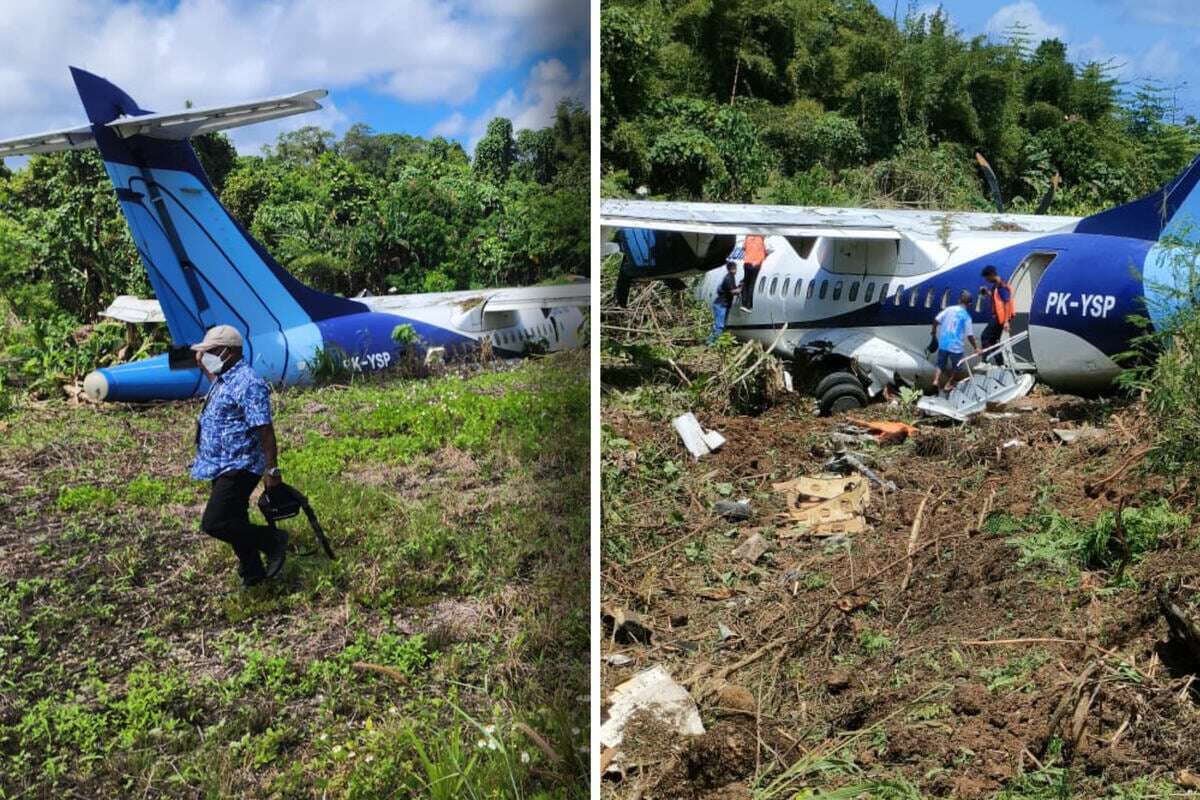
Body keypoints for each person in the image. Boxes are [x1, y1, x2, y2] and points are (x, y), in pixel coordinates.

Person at [191, 325, 288, 588]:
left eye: (210, 351)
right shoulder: (224, 377)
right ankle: (253, 574)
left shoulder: (249, 382)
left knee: (216, 522)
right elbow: (225, 393)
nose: (205, 355)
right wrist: (205, 366)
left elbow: (265, 431)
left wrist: (272, 471)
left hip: (240, 464)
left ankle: (272, 540)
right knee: (235, 519)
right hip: (220, 463)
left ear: (229, 352)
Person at [931, 290, 979, 395]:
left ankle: (935, 381)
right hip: (956, 346)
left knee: (940, 365)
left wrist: (934, 330)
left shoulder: (949, 309)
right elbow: (970, 335)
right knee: (958, 367)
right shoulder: (966, 317)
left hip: (944, 342)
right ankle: (949, 383)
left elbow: (936, 320)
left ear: (959, 300)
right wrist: (976, 347)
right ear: (969, 304)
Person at [979, 265, 1015, 362]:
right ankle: (1000, 363)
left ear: (991, 275)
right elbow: (997, 299)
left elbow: (1006, 302)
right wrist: (987, 292)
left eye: (987, 277)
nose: (986, 280)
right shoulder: (996, 285)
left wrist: (1006, 321)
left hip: (1001, 317)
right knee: (993, 341)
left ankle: (984, 361)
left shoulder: (1001, 285)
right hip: (999, 317)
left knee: (985, 336)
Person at [707, 260, 740, 345]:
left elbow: (733, 288)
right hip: (721, 305)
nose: (736, 270)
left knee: (721, 324)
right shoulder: (728, 278)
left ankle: (713, 341)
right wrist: (741, 290)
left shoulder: (731, 277)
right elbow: (732, 291)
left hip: (724, 304)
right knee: (719, 325)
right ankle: (712, 343)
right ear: (732, 269)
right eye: (735, 268)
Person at [740, 234, 773, 310]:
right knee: (752, 284)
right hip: (756, 263)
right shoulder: (762, 238)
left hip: (747, 262)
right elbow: (769, 249)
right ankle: (749, 305)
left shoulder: (748, 236)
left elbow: (743, 247)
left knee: (746, 284)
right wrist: (764, 255)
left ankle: (744, 304)